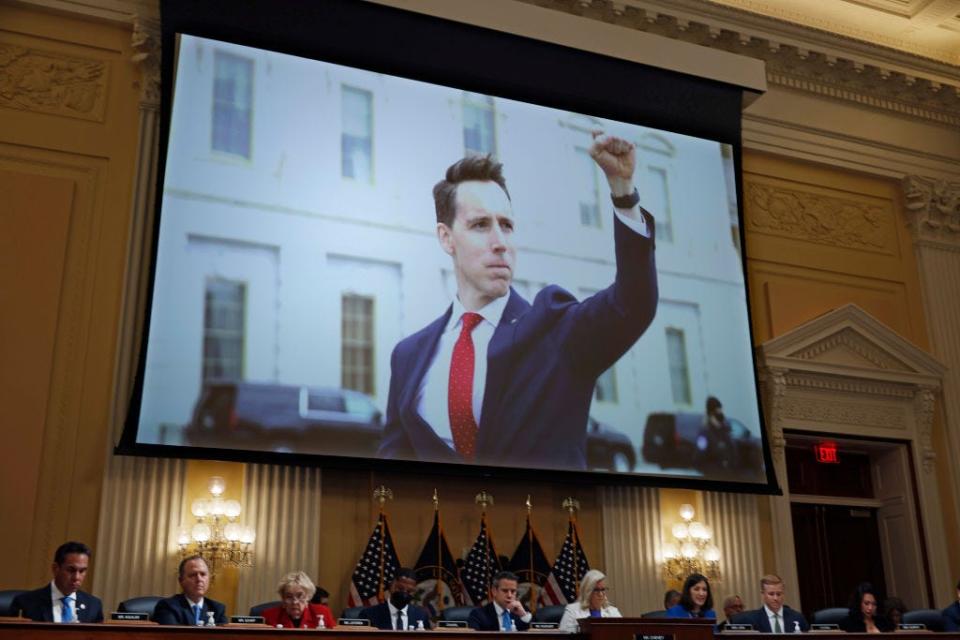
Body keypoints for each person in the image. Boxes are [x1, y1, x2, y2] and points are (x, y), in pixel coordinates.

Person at [378, 133, 658, 470]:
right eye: (481, 225)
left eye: (507, 225)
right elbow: (392, 465)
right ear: (447, 238)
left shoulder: (555, 330)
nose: (500, 242)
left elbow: (633, 304)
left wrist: (623, 194)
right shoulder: (408, 356)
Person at [12, 541, 104, 623]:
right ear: (55, 568)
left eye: (82, 571)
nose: (77, 577)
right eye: (71, 570)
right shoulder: (26, 603)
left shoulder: (93, 605)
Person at [152, 555, 227, 626]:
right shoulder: (168, 606)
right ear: (181, 581)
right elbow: (172, 636)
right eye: (193, 575)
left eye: (203, 574)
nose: (199, 579)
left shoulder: (217, 609)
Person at [359, 567, 431, 630]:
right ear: (391, 586)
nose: (404, 594)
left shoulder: (421, 615)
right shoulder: (369, 614)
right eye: (400, 589)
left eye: (409, 591)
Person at [261, 570, 334, 629]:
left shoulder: (322, 613)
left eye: (300, 596)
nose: (295, 602)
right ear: (283, 599)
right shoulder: (269, 616)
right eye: (289, 597)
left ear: (308, 597)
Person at [737, 574, 808, 632]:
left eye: (779, 594)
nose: (775, 598)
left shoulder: (797, 618)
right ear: (763, 594)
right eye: (771, 594)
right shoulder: (751, 620)